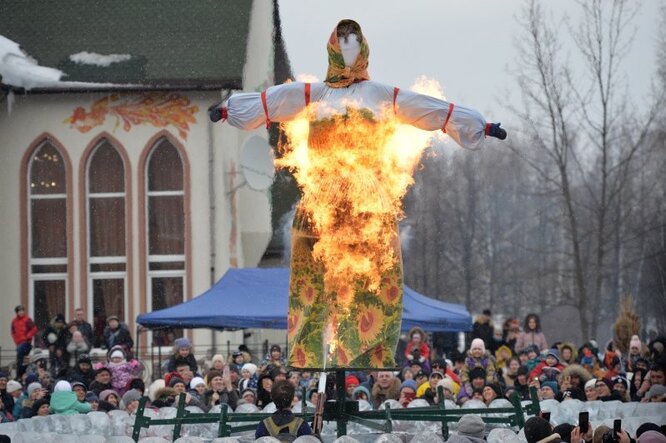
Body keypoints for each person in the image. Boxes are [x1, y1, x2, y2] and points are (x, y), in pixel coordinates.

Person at [211, 18, 506, 369]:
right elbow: (270, 102)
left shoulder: (381, 95)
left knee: (376, 282)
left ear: (363, 48)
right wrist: (229, 110)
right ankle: (310, 359)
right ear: (333, 49)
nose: (348, 50)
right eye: (342, 43)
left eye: (354, 42)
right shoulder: (312, 94)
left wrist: (478, 125)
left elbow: (428, 109)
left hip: (369, 205)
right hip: (321, 203)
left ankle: (367, 354)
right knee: (310, 283)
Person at [11, 305, 38, 379]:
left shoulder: (27, 320)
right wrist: (16, 341)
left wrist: (27, 336)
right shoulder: (14, 321)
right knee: (20, 358)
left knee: (19, 356)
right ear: (17, 312)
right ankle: (21, 372)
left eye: (22, 310)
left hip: (26, 343)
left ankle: (18, 374)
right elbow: (13, 332)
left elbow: (34, 329)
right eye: (19, 311)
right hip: (19, 344)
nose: (21, 312)